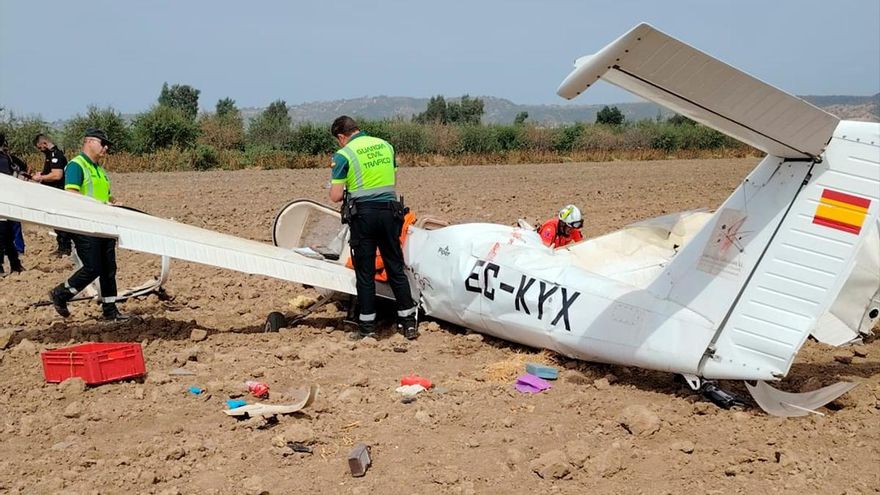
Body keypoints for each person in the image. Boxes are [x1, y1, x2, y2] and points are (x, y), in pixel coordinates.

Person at [328, 115, 418, 340]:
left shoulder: (344, 155)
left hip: (364, 216)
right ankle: (408, 323)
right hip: (390, 213)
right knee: (395, 266)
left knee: (365, 272)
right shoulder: (386, 146)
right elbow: (391, 180)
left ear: (341, 136)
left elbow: (336, 196)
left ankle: (367, 328)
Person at [49, 128, 131, 321]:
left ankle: (110, 311)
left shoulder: (99, 170)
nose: (106, 148)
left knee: (108, 269)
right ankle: (61, 293)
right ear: (89, 142)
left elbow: (105, 195)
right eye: (103, 143)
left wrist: (114, 202)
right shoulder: (76, 166)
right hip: (86, 226)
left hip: (104, 225)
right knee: (93, 267)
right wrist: (99, 205)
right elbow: (72, 194)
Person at [32, 133, 73, 256]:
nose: (40, 150)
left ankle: (65, 248)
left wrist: (40, 178)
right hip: (53, 193)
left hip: (58, 192)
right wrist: (42, 174)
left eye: (40, 147)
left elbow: (57, 175)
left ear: (44, 143)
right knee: (56, 221)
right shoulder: (51, 155)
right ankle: (62, 246)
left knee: (59, 220)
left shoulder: (56, 155)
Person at [0, 133, 26, 274]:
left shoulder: (3, 160)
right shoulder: (7, 158)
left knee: (3, 234)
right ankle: (15, 264)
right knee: (7, 235)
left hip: (3, 202)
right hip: (9, 202)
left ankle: (10, 265)